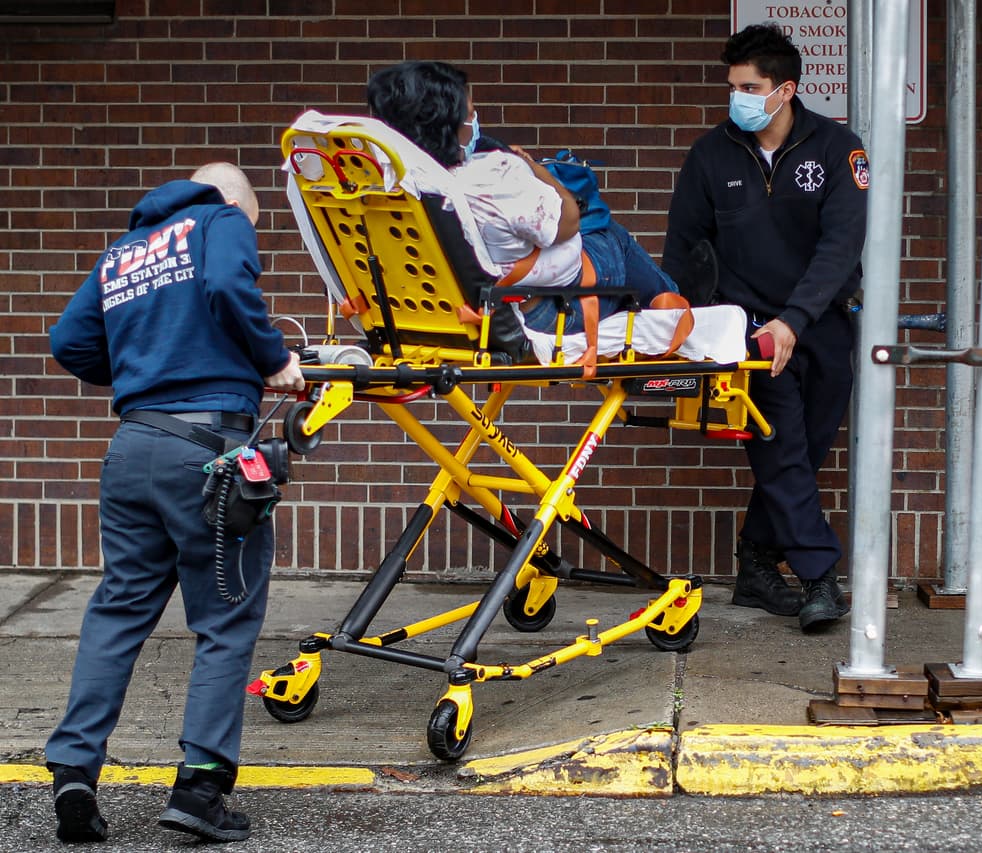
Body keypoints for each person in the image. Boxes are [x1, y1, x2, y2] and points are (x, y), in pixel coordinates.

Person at [45, 162, 306, 843]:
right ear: (235, 205)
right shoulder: (221, 219)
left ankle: (75, 767)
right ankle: (201, 787)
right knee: (224, 617)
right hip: (207, 451)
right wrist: (275, 358)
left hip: (133, 448)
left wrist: (144, 367)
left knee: (119, 606)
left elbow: (67, 341)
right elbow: (224, 283)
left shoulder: (126, 249)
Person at [662, 24, 868, 632]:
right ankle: (819, 577)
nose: (737, 98)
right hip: (746, 332)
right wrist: (674, 312)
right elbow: (682, 245)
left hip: (820, 324)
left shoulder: (837, 148)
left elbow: (840, 247)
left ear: (786, 90)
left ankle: (755, 562)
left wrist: (795, 321)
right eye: (733, 86)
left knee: (805, 453)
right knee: (781, 453)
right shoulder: (711, 154)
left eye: (749, 86)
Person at [365, 60, 682, 337]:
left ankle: (663, 298)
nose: (475, 119)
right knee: (605, 232)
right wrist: (528, 166)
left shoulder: (394, 184)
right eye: (471, 112)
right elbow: (569, 220)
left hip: (445, 313)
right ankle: (670, 300)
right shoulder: (496, 176)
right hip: (544, 312)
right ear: (448, 123)